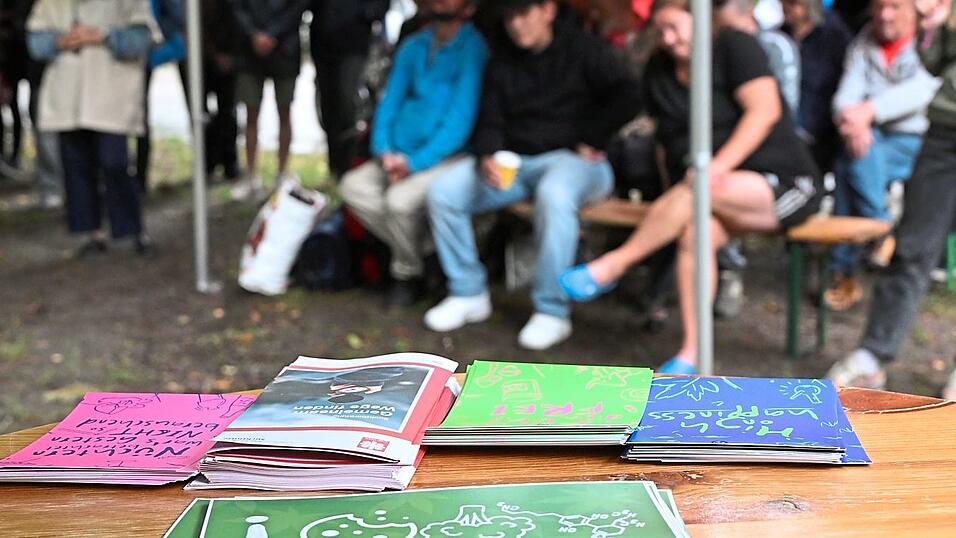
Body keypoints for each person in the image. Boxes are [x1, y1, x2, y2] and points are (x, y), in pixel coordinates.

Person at [560, 0, 822, 374]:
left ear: (700, 18)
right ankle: (692, 353)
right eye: (661, 30)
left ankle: (616, 263)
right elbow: (666, 146)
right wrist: (677, 200)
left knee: (700, 190)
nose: (668, 38)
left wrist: (718, 166)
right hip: (709, 190)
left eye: (675, 27)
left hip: (785, 183)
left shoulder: (734, 46)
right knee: (694, 234)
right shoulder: (659, 71)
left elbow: (764, 111)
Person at [423, 0, 641, 350]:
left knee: (555, 193)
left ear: (548, 11)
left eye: (524, 13)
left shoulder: (583, 49)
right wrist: (488, 153)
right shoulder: (502, 58)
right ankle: (467, 292)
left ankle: (552, 311)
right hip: (517, 165)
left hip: (576, 163)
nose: (516, 24)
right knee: (444, 191)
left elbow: (629, 93)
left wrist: (593, 136)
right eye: (510, 16)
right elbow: (489, 116)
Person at [827, 0, 956, 400]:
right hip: (946, 131)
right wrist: (936, 26)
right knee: (912, 246)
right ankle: (873, 355)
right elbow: (934, 64)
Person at [339, 0, 488, 309]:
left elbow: (459, 122)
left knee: (399, 202)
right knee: (352, 187)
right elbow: (389, 103)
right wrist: (384, 151)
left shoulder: (474, 49)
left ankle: (406, 273)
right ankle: (429, 255)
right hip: (397, 155)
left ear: (469, 7)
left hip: (447, 157)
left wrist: (414, 163)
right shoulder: (413, 45)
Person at [823, 0, 939, 312]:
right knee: (853, 158)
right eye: (879, 7)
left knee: (852, 161)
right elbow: (846, 92)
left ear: (913, 10)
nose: (885, 15)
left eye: (895, 7)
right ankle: (882, 231)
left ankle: (843, 271)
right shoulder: (864, 41)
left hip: (917, 140)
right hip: (869, 136)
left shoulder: (930, 40)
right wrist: (851, 119)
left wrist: (869, 112)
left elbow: (923, 91)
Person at [27, 0, 159, 256]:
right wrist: (60, 41)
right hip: (69, 96)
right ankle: (92, 232)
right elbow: (35, 43)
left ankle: (133, 229)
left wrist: (103, 36)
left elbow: (142, 39)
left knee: (114, 161)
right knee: (77, 164)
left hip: (110, 94)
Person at [228, 0, 309, 198]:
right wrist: (254, 35)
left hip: (286, 50)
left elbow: (298, 8)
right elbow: (236, 7)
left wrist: (273, 34)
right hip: (249, 52)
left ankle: (281, 174)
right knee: (251, 114)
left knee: (285, 112)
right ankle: (251, 176)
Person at [310, 0, 390, 181]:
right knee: (328, 108)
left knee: (348, 105)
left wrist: (366, 14)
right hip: (323, 41)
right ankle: (335, 168)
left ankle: (349, 166)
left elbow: (380, 7)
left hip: (355, 43)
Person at [782, 0, 853, 173]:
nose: (785, 6)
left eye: (793, 3)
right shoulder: (779, 36)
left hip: (819, 136)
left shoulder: (835, 35)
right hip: (783, 130)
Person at [135, 0, 185, 194]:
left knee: (141, 117)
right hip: (123, 57)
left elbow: (174, 16)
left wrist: (153, 39)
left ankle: (140, 179)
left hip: (144, 54)